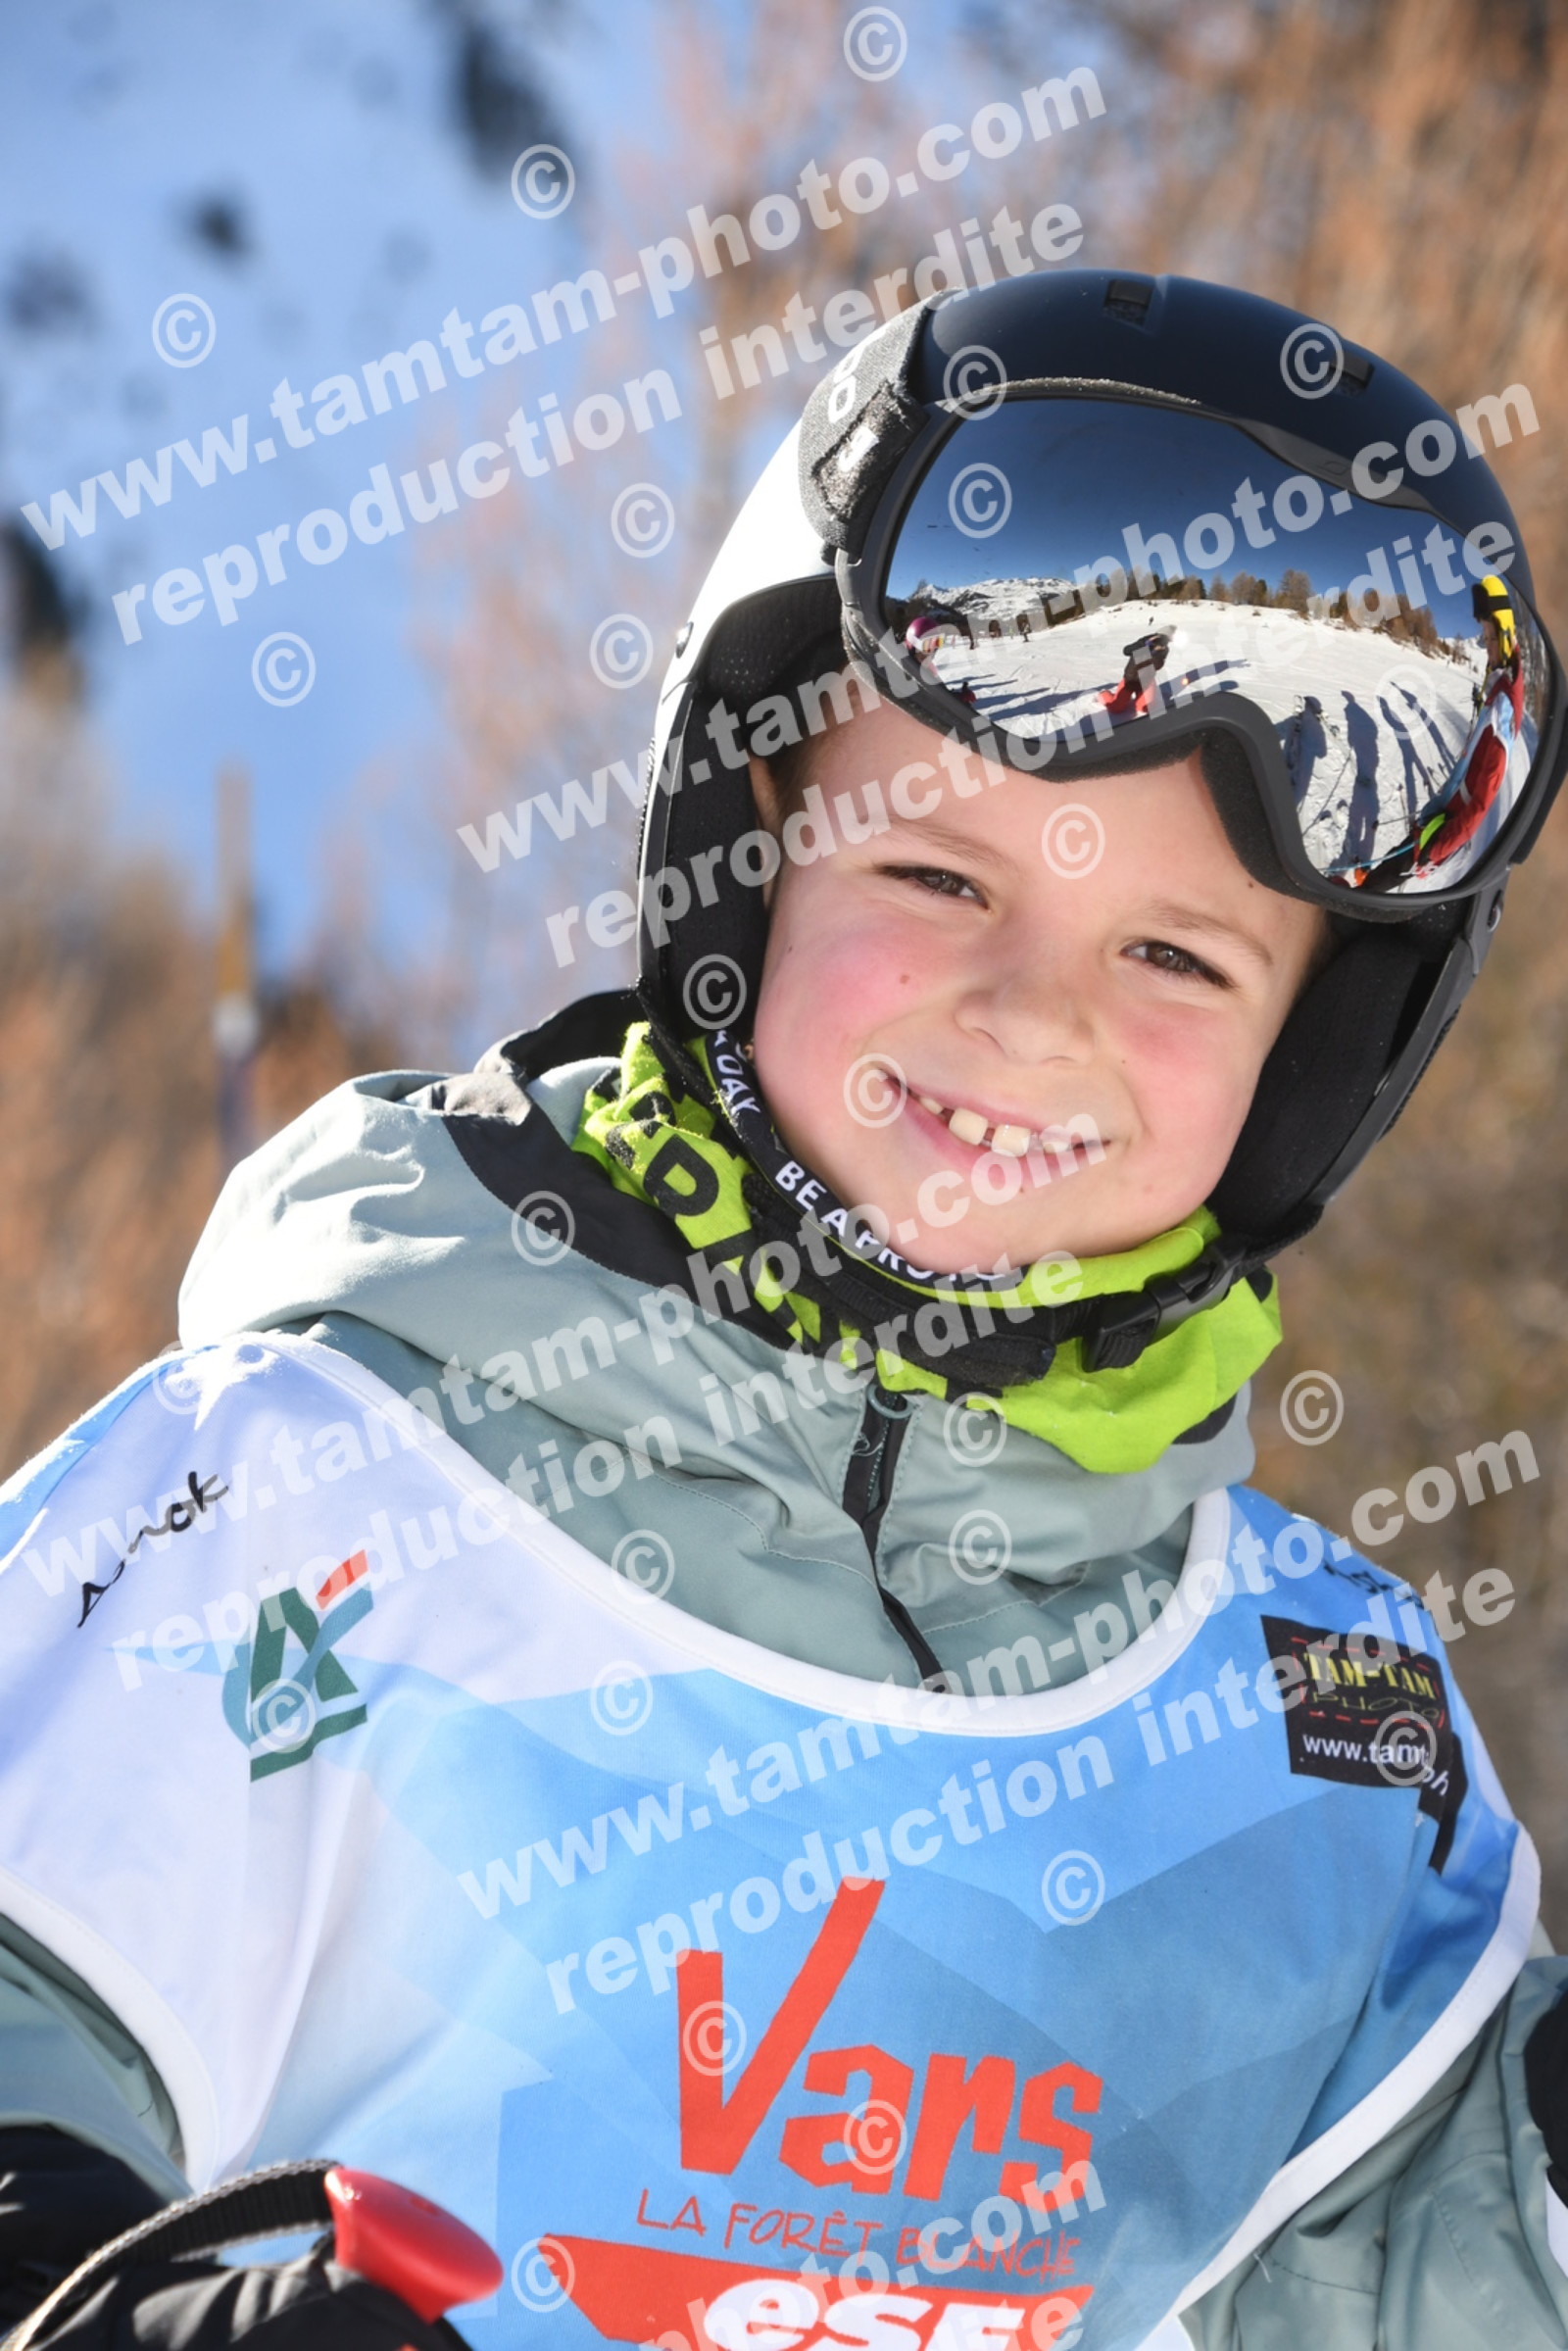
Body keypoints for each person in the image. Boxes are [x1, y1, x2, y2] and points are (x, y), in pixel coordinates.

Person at [3, 271, 1568, 2351]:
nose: (1034, 1016)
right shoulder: (300, 1492)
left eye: (1177, 960)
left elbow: (1433, 2280)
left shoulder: (1318, 1731)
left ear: (1314, 1054)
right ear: (746, 863)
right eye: (937, 879)